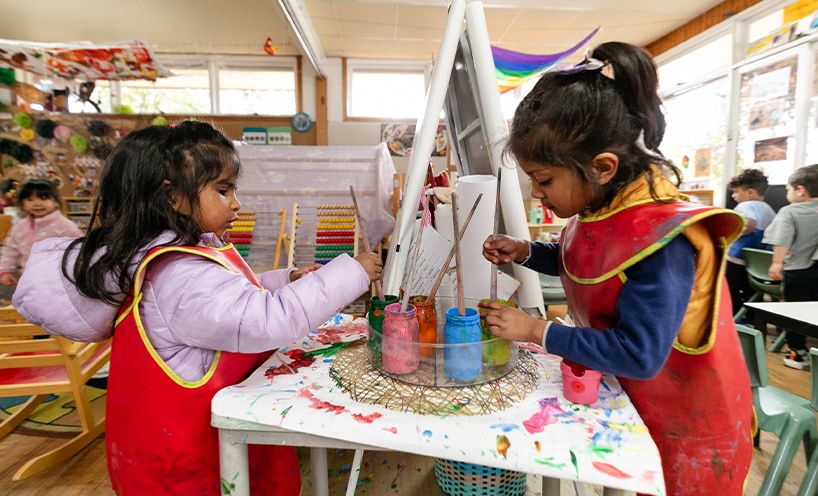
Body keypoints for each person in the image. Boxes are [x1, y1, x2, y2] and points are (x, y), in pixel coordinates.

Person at [13, 121, 383, 495]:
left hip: (204, 434)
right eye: (223, 190)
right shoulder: (180, 274)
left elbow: (237, 297)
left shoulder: (185, 253)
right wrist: (351, 272)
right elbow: (264, 319)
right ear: (171, 197)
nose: (236, 203)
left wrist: (287, 280)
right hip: (189, 460)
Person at [480, 42, 752, 495]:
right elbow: (588, 263)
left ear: (602, 168)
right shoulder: (601, 208)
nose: (538, 195)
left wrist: (534, 331)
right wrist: (526, 250)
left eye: (544, 180)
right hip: (634, 405)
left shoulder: (664, 238)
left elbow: (639, 353)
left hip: (688, 423)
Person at [763, 164, 818, 370]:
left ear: (800, 190)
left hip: (798, 271)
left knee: (794, 313)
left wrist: (777, 262)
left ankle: (797, 352)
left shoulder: (790, 212)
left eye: (788, 189)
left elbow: (782, 239)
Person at [0, 179, 83, 288]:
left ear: (56, 201)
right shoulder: (19, 227)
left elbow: (80, 251)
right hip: (28, 280)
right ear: (22, 204)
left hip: (59, 282)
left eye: (44, 198)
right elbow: (11, 250)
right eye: (30, 199)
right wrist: (5, 271)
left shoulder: (65, 226)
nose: (37, 204)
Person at [724, 168, 776, 318]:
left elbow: (749, 225)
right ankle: (754, 320)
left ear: (750, 192)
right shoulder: (769, 210)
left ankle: (736, 317)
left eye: (736, 191)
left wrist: (729, 234)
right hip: (758, 263)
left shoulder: (745, 206)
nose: (733, 196)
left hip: (737, 257)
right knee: (751, 291)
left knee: (730, 288)